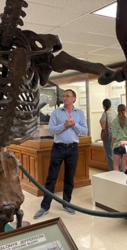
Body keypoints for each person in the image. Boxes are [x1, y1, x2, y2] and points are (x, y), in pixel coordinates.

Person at [33, 89, 88, 219]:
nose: (65, 98)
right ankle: (45, 206)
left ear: (74, 98)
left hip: (72, 149)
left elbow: (84, 131)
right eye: (63, 96)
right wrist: (64, 125)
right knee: (51, 178)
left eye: (67, 96)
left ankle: (66, 203)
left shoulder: (79, 114)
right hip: (57, 148)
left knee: (69, 178)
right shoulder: (56, 113)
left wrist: (74, 125)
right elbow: (51, 130)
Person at [111, 104, 127, 171]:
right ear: (125, 110)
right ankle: (125, 181)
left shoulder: (115, 121)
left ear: (117, 110)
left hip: (118, 144)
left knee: (116, 165)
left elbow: (114, 135)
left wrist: (112, 143)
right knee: (124, 165)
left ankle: (117, 180)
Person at [100, 99, 117, 171]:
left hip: (109, 134)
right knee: (116, 153)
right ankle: (118, 168)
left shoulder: (105, 113)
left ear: (104, 106)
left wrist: (100, 122)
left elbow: (104, 127)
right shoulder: (115, 112)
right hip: (116, 133)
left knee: (109, 154)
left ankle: (112, 170)